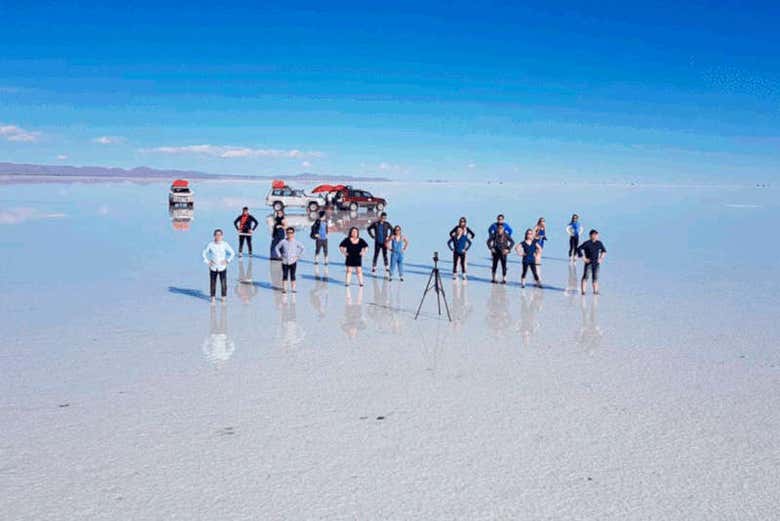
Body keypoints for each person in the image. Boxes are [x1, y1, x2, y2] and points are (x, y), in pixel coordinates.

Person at [202, 228, 235, 303]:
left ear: (222, 236)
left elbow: (232, 253)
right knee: (212, 283)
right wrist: (207, 261)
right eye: (217, 235)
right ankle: (212, 297)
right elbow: (204, 253)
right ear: (214, 236)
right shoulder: (210, 244)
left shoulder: (225, 244)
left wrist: (227, 260)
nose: (218, 236)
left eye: (220, 235)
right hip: (213, 267)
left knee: (223, 283)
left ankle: (223, 297)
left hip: (222, 267)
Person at [274, 227, 305, 294]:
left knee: (292, 275)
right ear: (286, 233)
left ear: (293, 234)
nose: (289, 234)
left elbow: (303, 248)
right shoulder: (283, 241)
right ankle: (284, 289)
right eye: (288, 233)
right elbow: (276, 248)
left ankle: (293, 289)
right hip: (285, 261)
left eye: (291, 233)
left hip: (293, 261)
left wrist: (298, 256)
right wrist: (279, 255)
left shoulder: (296, 242)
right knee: (285, 275)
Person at [577, 229, 607, 295]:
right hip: (589, 263)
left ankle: (595, 291)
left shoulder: (599, 243)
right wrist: (583, 258)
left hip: (596, 263)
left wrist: (601, 258)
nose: (596, 236)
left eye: (597, 235)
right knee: (585, 277)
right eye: (595, 235)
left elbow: (604, 251)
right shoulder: (587, 243)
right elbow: (578, 249)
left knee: (595, 277)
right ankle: (583, 292)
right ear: (591, 236)